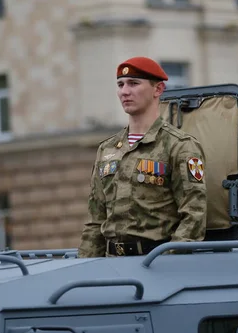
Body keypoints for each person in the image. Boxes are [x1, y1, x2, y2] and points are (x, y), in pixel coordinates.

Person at [77, 56, 208, 258]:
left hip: (157, 263)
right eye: (120, 85)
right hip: (112, 264)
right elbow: (96, 220)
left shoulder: (180, 146)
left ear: (158, 89)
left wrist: (170, 260)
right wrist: (85, 268)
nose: (125, 91)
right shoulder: (107, 150)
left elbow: (193, 215)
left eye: (134, 83)